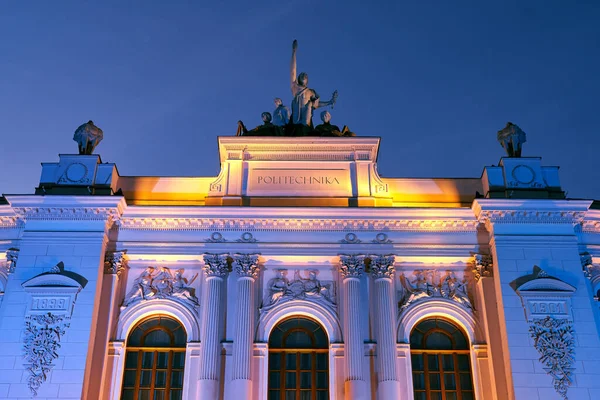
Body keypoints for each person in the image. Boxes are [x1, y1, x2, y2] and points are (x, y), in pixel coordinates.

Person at [290, 40, 337, 127]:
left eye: (306, 75)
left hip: (306, 117)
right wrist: (294, 52)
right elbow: (293, 70)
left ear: (307, 80)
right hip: (296, 117)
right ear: (298, 78)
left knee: (305, 129)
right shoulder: (295, 87)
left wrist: (329, 102)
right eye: (302, 75)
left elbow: (316, 104)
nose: (304, 75)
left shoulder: (311, 92)